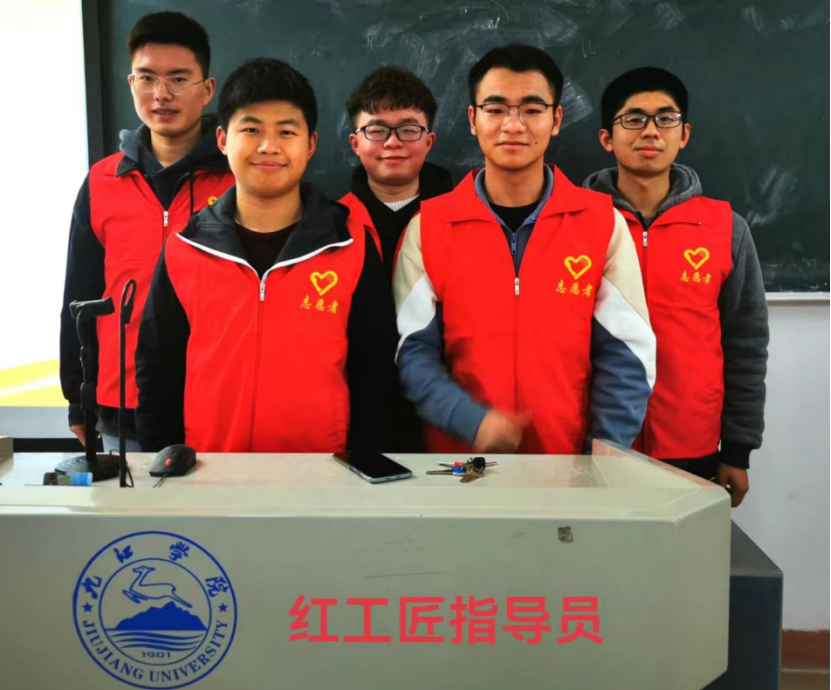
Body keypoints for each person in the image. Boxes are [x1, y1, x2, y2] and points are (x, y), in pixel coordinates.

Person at [394, 44, 656, 455]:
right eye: (496, 109)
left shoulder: (602, 224)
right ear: (472, 120)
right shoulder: (428, 228)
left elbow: (627, 355)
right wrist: (472, 421)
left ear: (557, 120)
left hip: (569, 462)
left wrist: (603, 456)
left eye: (532, 109)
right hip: (460, 466)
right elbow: (412, 354)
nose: (513, 125)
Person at [135, 58, 398, 453]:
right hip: (209, 471)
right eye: (251, 129)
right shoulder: (185, 248)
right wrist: (168, 465)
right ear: (223, 140)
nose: (268, 146)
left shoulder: (351, 245)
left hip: (322, 473)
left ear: (311, 144)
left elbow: (375, 373)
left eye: (286, 131)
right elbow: (157, 372)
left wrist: (360, 470)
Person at [584, 66, 769, 506]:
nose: (650, 131)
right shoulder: (575, 224)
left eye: (665, 119)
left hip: (692, 444)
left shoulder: (726, 228)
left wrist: (738, 448)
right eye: (633, 119)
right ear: (607, 138)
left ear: (683, 134)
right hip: (596, 442)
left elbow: (746, 343)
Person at [60, 11, 234, 452]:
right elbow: (79, 294)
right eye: (147, 78)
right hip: (121, 404)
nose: (162, 94)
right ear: (131, 84)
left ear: (207, 89)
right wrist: (77, 399)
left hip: (215, 399)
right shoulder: (101, 181)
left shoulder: (239, 180)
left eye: (179, 79)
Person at [342, 65, 453, 277]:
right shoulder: (333, 225)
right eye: (377, 131)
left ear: (428, 142)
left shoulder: (463, 220)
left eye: (408, 130)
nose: (393, 142)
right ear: (355, 144)